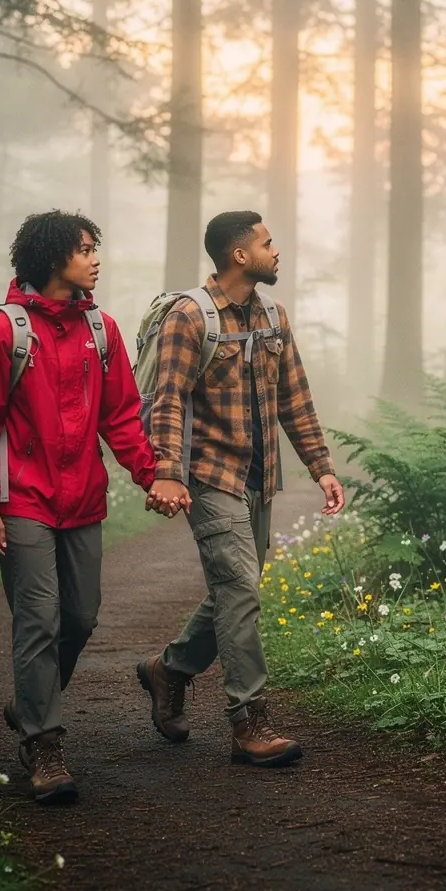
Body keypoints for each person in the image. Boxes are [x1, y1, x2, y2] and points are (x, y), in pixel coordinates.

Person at [0, 209, 163, 803]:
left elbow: (122, 415)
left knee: (80, 617)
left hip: (82, 499)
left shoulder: (101, 330)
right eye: (84, 249)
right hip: (21, 499)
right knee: (39, 620)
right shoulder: (2, 333)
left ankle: (29, 700)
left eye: (94, 248)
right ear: (53, 259)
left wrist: (152, 476)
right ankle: (43, 745)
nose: (95, 258)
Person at [137, 210, 345, 767]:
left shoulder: (273, 316)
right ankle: (249, 720)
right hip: (210, 475)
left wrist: (321, 465)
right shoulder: (189, 317)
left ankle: (169, 670)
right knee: (240, 589)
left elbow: (294, 399)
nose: (276, 251)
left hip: (260, 477)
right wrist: (167, 471)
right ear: (239, 255)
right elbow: (169, 399)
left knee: (239, 584)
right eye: (267, 243)